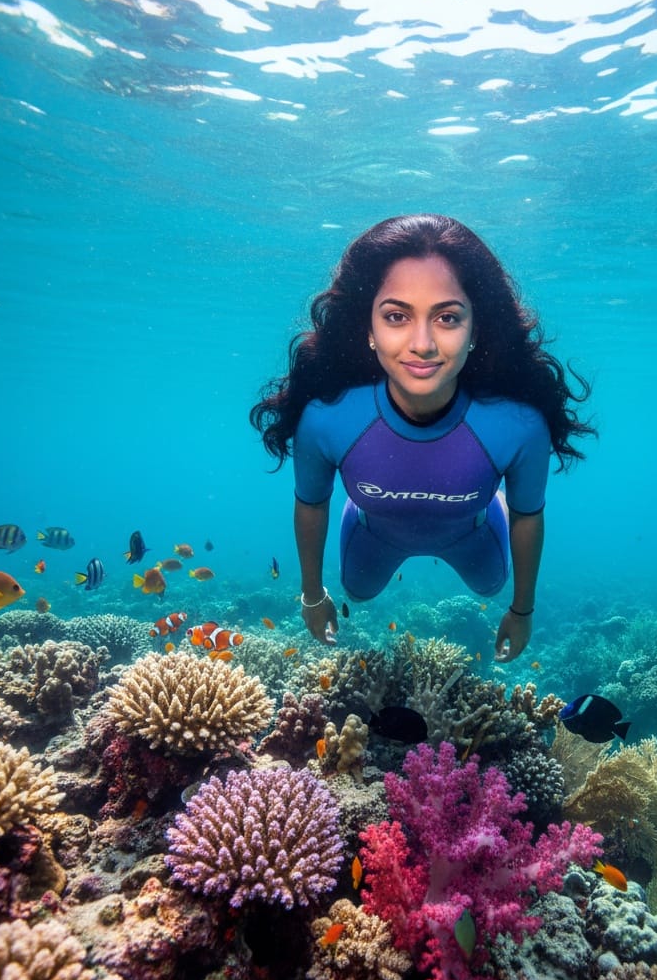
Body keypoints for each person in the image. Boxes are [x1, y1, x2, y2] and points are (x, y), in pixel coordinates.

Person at [250, 214, 594, 661]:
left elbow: (528, 517)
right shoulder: (326, 420)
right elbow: (311, 502)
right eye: (396, 316)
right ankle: (369, 498)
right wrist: (312, 595)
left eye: (447, 318)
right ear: (368, 329)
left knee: (491, 586)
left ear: (476, 331)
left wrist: (522, 609)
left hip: (474, 533)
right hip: (373, 534)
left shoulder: (519, 426)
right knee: (360, 590)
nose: (423, 343)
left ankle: (492, 498)